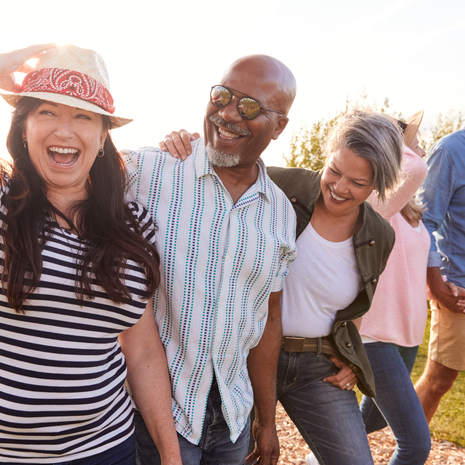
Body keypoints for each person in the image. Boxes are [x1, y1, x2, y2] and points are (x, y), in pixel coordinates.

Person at [162, 109, 404, 465]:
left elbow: (355, 308)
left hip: (316, 366)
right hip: (246, 357)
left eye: (357, 182)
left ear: (378, 186)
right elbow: (219, 168)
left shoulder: (379, 235)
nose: (339, 188)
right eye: (334, 171)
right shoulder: (277, 186)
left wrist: (352, 359)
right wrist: (185, 143)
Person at [0, 44, 181, 464]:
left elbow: (141, 348)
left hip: (104, 450)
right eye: (46, 112)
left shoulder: (132, 226)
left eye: (82, 116)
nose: (64, 132)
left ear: (102, 136)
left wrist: (171, 458)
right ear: (23, 128)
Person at [123, 55, 297, 465]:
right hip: (151, 414)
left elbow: (268, 320)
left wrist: (265, 421)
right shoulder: (147, 172)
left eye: (249, 106)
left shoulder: (280, 214)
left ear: (279, 125)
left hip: (233, 419)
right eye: (222, 95)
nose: (227, 113)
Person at [356, 111, 432, 465]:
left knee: (368, 421)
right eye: (412, 139)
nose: (419, 144)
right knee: (415, 445)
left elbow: (411, 265)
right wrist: (391, 138)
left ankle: (322, 455)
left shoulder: (407, 208)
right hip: (375, 336)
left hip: (409, 334)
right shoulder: (374, 203)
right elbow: (415, 168)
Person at [414, 122, 465, 423]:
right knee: (439, 381)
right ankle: (410, 451)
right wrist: (436, 283)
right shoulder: (450, 151)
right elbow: (424, 222)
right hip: (459, 292)